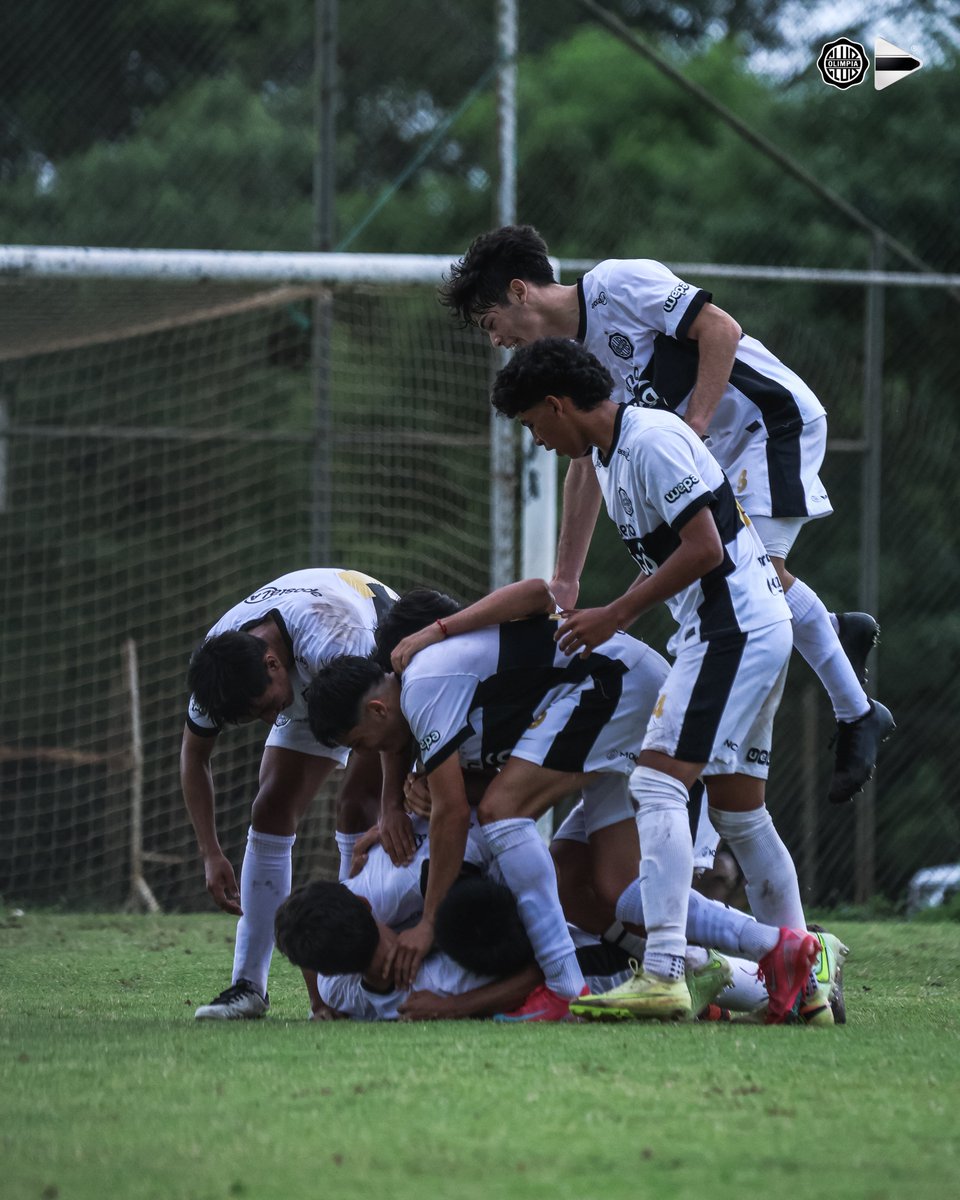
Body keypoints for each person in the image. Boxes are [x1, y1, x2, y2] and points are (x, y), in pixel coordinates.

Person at [440, 225, 894, 804]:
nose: (496, 339)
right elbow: (587, 461)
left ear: (520, 290)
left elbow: (720, 331)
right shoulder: (568, 365)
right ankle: (831, 634)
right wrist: (566, 578)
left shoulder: (615, 285)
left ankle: (857, 712)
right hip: (716, 452)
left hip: (766, 424)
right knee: (751, 574)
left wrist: (696, 427)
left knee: (750, 570)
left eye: (490, 323)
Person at [490, 336, 823, 1022]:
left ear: (557, 406)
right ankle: (806, 983)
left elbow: (704, 548)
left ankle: (667, 970)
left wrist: (614, 614)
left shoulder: (650, 440)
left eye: (533, 425)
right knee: (740, 812)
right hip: (741, 627)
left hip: (734, 628)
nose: (539, 440)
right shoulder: (612, 456)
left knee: (656, 782)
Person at [305, 582, 674, 1021]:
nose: (370, 753)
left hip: (616, 684)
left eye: (361, 742)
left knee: (503, 813)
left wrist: (429, 923)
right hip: (623, 686)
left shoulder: (426, 682)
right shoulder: (437, 696)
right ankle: (737, 959)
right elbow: (455, 792)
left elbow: (455, 813)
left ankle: (564, 988)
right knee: (604, 885)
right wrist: (394, 808)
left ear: (379, 710)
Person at [181, 567, 410, 1020]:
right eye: (256, 717)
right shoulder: (217, 667)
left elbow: (388, 720)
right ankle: (247, 987)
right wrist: (210, 853)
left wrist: (392, 807)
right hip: (308, 679)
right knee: (269, 807)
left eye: (267, 707)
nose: (270, 721)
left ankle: (348, 970)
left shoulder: (337, 637)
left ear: (272, 664)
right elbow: (194, 757)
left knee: (355, 805)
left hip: (377, 681)